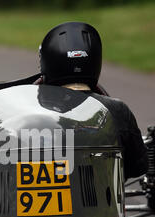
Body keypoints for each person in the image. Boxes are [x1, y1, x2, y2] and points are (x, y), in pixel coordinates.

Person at [36, 22, 148, 179]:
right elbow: (136, 168)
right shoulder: (117, 110)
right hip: (102, 200)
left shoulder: (34, 111)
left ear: (47, 61)